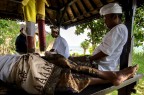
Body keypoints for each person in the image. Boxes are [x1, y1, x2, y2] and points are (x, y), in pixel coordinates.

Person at [0, 53, 138, 94]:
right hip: (22, 65)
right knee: (65, 73)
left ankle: (111, 76)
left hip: (23, 62)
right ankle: (111, 76)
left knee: (62, 67)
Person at [70, 3, 128, 71]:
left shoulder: (119, 29)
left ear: (114, 17)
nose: (104, 21)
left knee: (70, 63)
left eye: (105, 18)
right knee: (71, 59)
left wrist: (90, 59)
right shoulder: (118, 29)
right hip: (100, 64)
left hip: (102, 67)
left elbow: (106, 52)